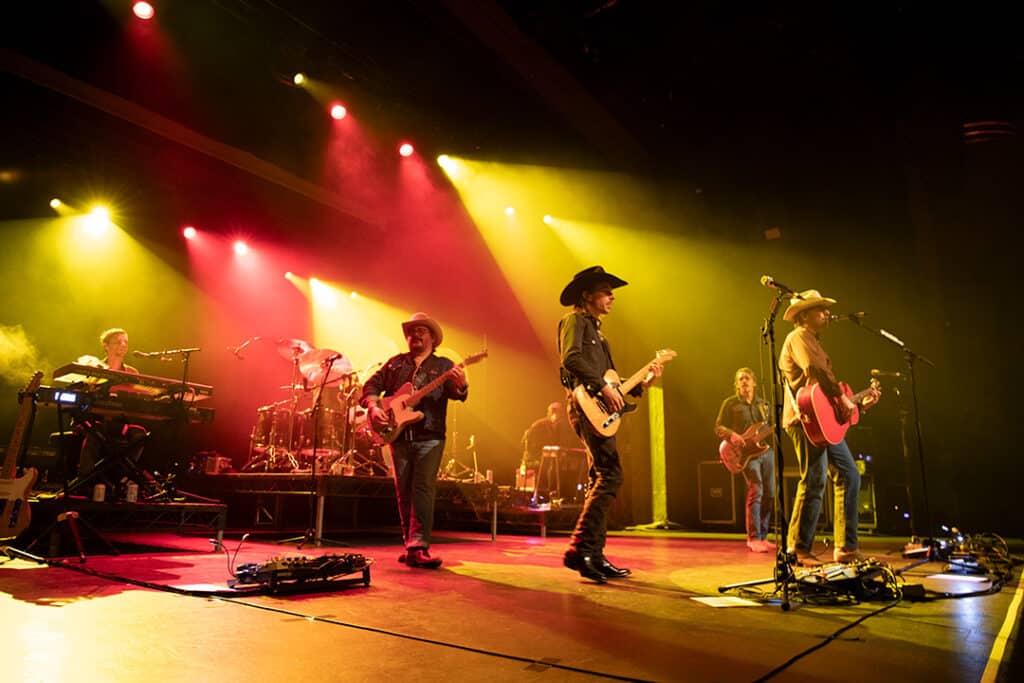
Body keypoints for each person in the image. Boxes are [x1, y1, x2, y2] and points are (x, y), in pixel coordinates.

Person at [558, 266, 662, 583]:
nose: (612, 297)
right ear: (587, 295)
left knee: (600, 477)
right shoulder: (575, 321)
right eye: (605, 291)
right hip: (584, 404)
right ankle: (580, 549)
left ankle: (594, 554)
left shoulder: (601, 336)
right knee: (610, 474)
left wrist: (644, 381)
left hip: (597, 409)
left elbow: (615, 387)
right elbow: (571, 359)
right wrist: (601, 387)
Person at [779, 290, 880, 566]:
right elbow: (813, 370)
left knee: (849, 474)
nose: (826, 313)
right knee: (814, 479)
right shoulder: (797, 337)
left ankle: (846, 548)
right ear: (804, 315)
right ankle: (797, 549)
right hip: (804, 420)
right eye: (820, 309)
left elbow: (828, 398)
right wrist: (844, 397)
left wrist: (858, 403)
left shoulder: (814, 341)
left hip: (821, 421)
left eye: (825, 309)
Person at [361, 312, 468, 569]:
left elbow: (457, 394)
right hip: (398, 436)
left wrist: (461, 384)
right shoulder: (396, 364)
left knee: (422, 489)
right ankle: (410, 545)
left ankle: (418, 545)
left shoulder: (443, 366)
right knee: (404, 492)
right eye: (411, 331)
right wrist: (374, 408)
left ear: (432, 337)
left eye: (421, 330)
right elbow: (370, 387)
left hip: (430, 436)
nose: (415, 335)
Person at [73, 328, 147, 484]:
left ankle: (122, 477)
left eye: (125, 342)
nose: (123, 345)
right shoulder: (94, 367)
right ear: (106, 346)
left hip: (118, 422)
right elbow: (81, 394)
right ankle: (83, 480)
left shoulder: (132, 372)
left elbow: (135, 400)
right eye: (118, 341)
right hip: (92, 419)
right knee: (95, 432)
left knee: (140, 434)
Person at [714, 368, 776, 552]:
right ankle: (754, 538)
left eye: (747, 378)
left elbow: (771, 425)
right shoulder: (731, 404)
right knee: (756, 490)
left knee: (770, 493)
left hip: (764, 451)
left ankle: (763, 536)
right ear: (737, 384)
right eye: (740, 379)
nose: (743, 382)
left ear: (754, 382)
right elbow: (717, 427)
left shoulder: (764, 404)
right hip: (746, 455)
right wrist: (732, 434)